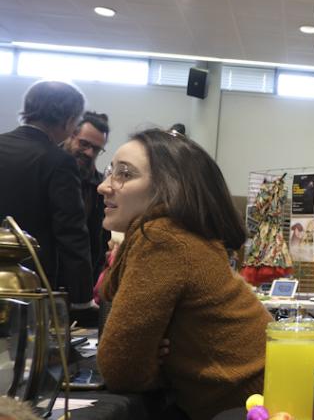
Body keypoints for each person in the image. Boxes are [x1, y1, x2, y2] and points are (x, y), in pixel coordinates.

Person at [96, 129, 272, 420]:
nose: (104, 186)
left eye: (124, 174)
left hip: (244, 409)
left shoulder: (162, 237)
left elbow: (120, 367)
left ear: (165, 188)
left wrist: (153, 365)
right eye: (110, 171)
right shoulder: (175, 233)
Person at [0, 80, 94, 308]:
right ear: (69, 119)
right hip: (28, 285)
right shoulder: (59, 161)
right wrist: (82, 298)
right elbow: (71, 233)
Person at [62, 111, 111, 282]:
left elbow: (101, 241)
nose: (89, 153)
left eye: (96, 149)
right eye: (84, 144)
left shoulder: (99, 188)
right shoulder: (44, 170)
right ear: (70, 135)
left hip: (81, 280)